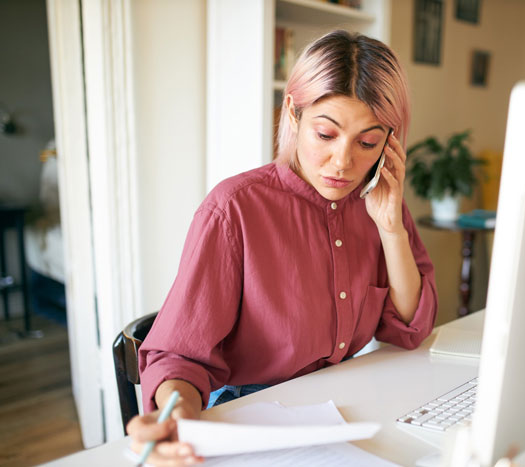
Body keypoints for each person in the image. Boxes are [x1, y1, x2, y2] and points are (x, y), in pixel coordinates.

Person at [127, 30, 438, 465]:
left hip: (339, 406)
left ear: (390, 142)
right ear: (293, 113)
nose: (343, 162)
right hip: (245, 418)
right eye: (326, 134)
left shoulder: (380, 202)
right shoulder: (233, 210)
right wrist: (174, 421)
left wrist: (391, 229)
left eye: (367, 143)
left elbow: (409, 330)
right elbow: (179, 355)